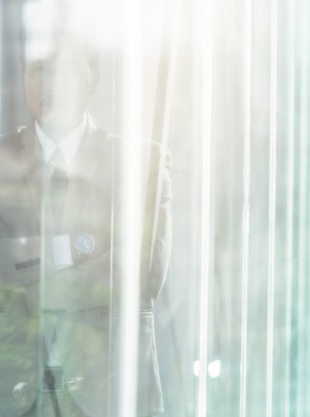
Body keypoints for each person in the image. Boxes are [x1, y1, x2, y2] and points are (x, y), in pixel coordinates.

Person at [0, 4, 172, 417]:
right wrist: (77, 250)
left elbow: (143, 271)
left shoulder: (142, 162)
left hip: (108, 390)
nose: (50, 81)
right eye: (37, 68)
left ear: (94, 78)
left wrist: (30, 273)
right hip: (16, 392)